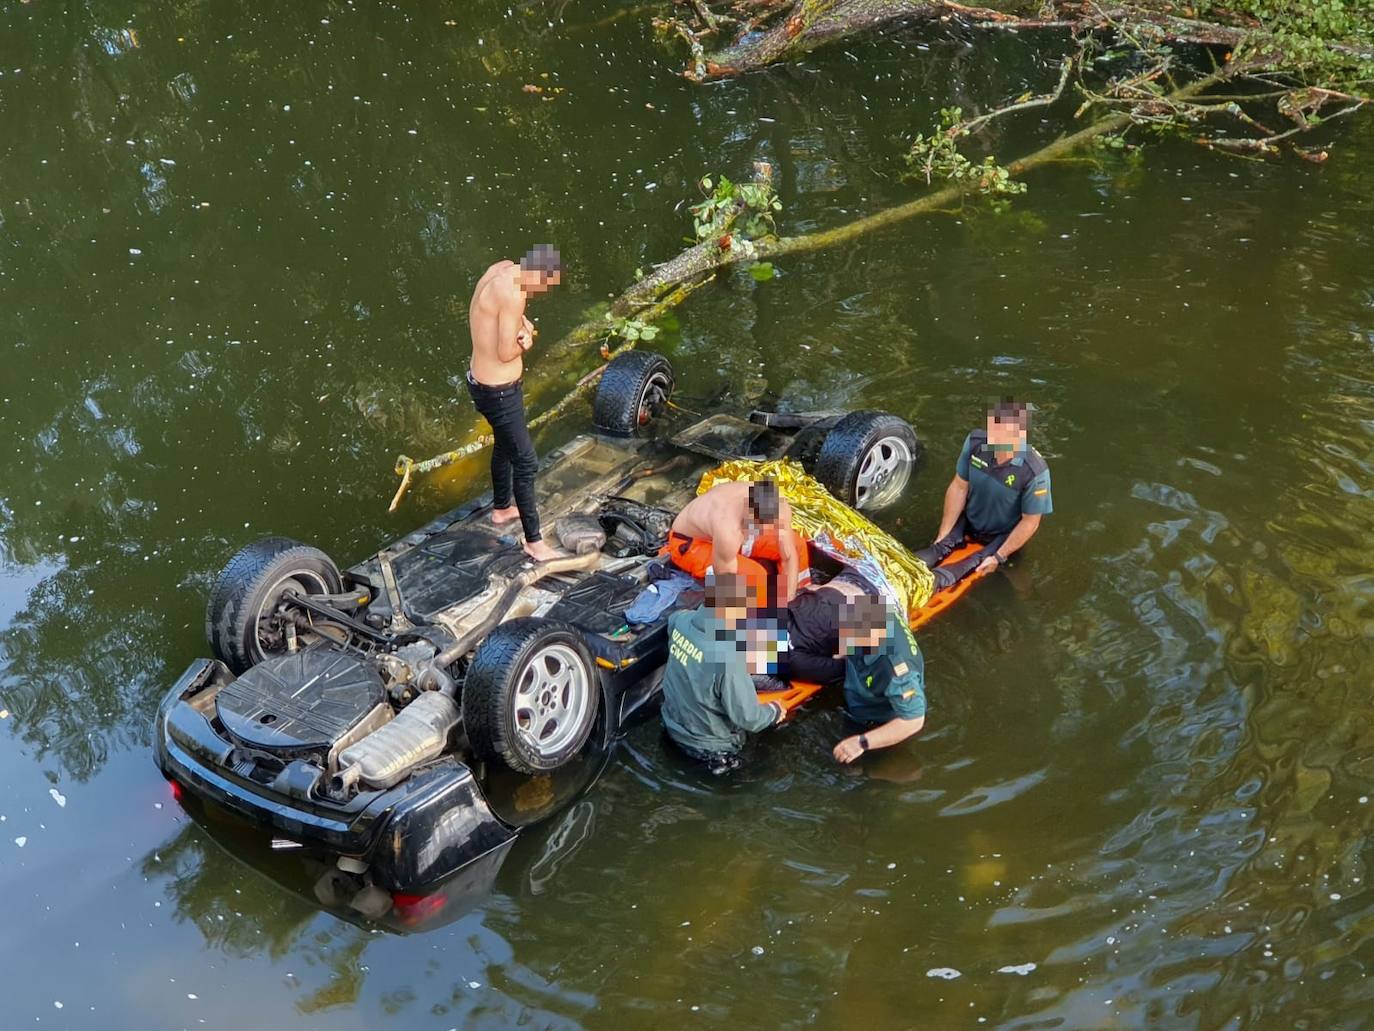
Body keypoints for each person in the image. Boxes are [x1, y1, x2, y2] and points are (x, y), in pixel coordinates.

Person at [466, 245, 562, 562]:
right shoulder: (515, 292)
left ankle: (502, 509)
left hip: (482, 381)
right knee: (526, 461)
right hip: (499, 391)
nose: (542, 294)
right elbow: (506, 353)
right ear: (539, 275)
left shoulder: (501, 269)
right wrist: (528, 340)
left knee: (505, 446)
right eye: (546, 287)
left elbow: (499, 319)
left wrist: (520, 324)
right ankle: (534, 542)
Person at [916, 398, 1053, 589]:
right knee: (933, 551)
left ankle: (884, 612)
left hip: (1001, 536)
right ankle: (871, 588)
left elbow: (1030, 522)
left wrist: (998, 556)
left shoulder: (1034, 472)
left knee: (951, 574)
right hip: (970, 520)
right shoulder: (976, 443)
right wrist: (944, 534)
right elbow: (959, 487)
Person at [660, 572, 786, 773]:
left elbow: (676, 621)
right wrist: (774, 711)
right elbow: (749, 718)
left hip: (671, 729)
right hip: (710, 752)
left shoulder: (681, 623)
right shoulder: (729, 659)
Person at [665, 479, 807, 608]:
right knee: (756, 576)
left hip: (733, 533)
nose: (762, 529)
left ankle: (801, 596)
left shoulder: (780, 506)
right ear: (747, 510)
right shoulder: (726, 526)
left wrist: (790, 598)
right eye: (757, 524)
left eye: (766, 524)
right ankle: (761, 622)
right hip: (690, 543)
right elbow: (726, 583)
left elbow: (788, 555)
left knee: (798, 545)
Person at [831, 595, 927, 764]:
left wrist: (862, 742)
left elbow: (913, 720)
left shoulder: (897, 672)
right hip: (857, 694)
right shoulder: (871, 608)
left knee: (851, 764)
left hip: (876, 723)